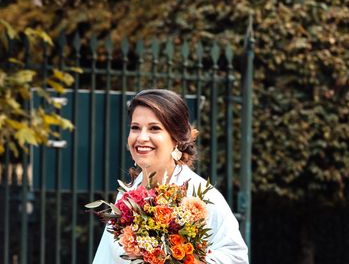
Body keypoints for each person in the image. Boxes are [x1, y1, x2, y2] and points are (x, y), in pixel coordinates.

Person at [92, 89, 249, 264]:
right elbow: (106, 258)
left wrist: (185, 258)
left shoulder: (200, 198)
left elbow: (237, 259)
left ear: (176, 138)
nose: (142, 137)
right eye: (135, 128)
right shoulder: (127, 196)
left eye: (154, 128)